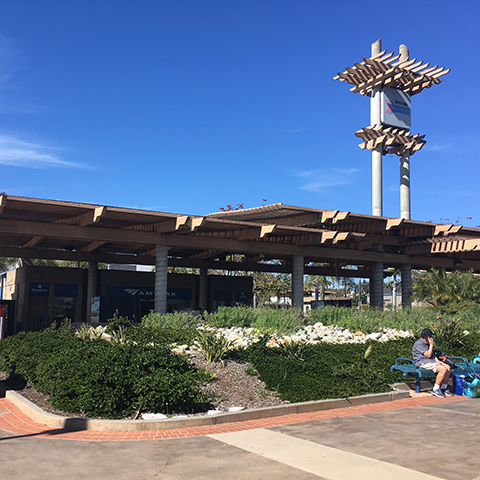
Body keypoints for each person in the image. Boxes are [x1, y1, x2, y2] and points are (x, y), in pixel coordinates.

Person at [412, 328, 454, 398]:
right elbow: (428, 355)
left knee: (448, 367)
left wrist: (438, 361)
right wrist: (431, 345)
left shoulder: (427, 342)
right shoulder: (419, 344)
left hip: (430, 361)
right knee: (442, 369)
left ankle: (444, 387)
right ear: (427, 336)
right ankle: (435, 389)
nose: (431, 337)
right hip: (422, 362)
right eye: (430, 336)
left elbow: (432, 354)